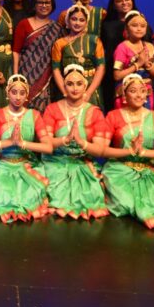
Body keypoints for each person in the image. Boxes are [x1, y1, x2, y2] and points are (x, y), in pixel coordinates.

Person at [101, 74, 154, 229]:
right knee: (125, 203)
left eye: (142, 91)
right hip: (120, 170)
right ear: (124, 95)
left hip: (148, 170)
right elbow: (102, 150)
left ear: (146, 95)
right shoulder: (113, 116)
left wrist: (144, 153)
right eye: (133, 91)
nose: (138, 95)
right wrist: (129, 151)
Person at [0, 74, 53, 223]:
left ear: (27, 95)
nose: (18, 97)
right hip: (1, 165)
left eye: (22, 93)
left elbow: (48, 147)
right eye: (14, 92)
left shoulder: (34, 115)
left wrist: (21, 143)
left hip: (26, 165)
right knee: (4, 196)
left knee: (32, 195)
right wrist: (8, 142)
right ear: (8, 93)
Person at [41, 64, 110, 220]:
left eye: (79, 83)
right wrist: (65, 139)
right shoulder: (52, 109)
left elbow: (100, 150)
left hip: (83, 162)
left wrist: (81, 142)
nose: (75, 88)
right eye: (70, 84)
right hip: (56, 162)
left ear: (85, 86)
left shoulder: (95, 112)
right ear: (64, 87)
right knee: (54, 194)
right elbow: (45, 144)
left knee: (91, 197)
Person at [12, 0, 61, 112]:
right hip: (26, 73)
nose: (44, 5)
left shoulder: (57, 28)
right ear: (34, 4)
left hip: (47, 76)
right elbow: (16, 51)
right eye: (40, 2)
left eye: (47, 3)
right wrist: (16, 75)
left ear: (52, 5)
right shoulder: (24, 24)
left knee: (43, 108)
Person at [100, 0, 146, 110]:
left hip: (140, 73)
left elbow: (149, 49)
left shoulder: (142, 24)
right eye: (119, 0)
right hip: (113, 73)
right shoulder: (106, 25)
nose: (124, 2)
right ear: (113, 5)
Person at [51, 4, 105, 105]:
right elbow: (56, 69)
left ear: (86, 23)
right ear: (68, 21)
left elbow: (100, 67)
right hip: (68, 86)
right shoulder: (60, 43)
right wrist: (65, 92)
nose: (77, 23)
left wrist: (89, 93)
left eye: (81, 20)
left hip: (90, 87)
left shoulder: (94, 41)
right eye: (74, 19)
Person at [112, 10, 154, 108]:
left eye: (142, 26)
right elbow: (117, 76)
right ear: (127, 28)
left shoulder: (149, 46)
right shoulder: (122, 47)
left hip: (146, 93)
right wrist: (138, 64)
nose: (139, 29)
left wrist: (147, 65)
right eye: (134, 25)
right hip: (128, 93)